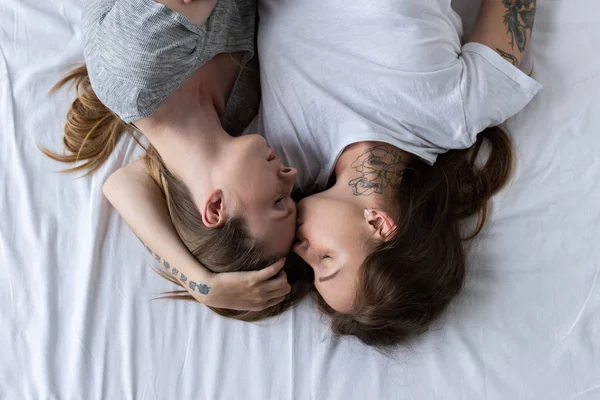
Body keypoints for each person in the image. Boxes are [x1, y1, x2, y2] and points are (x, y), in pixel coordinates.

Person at [42, 0, 312, 321]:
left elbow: (122, 185)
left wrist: (204, 284)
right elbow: (123, 184)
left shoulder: (138, 67)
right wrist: (201, 283)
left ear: (215, 207)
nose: (291, 173)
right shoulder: (238, 107)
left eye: (278, 199)